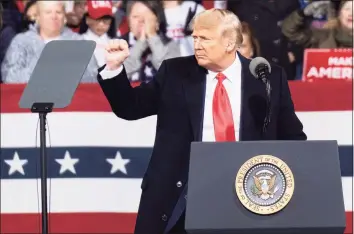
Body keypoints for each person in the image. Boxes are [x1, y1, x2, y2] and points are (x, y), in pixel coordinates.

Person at [97, 8, 307, 234]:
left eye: (205, 39)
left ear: (229, 43)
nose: (197, 44)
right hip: (181, 197)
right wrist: (113, 68)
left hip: (248, 196)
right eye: (195, 37)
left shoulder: (268, 78)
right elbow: (130, 108)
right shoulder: (175, 73)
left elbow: (293, 139)